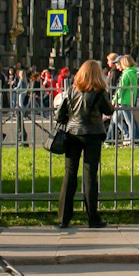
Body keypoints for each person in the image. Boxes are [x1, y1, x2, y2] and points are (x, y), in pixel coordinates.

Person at [55, 59, 113, 230]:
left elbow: (60, 115)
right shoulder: (99, 91)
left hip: (72, 133)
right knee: (90, 176)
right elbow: (108, 110)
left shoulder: (71, 90)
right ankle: (93, 218)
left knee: (69, 175)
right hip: (92, 134)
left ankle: (63, 218)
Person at [113, 54, 138, 144]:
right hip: (129, 99)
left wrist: (115, 99)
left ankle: (130, 139)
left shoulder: (126, 73)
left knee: (128, 121)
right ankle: (128, 137)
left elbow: (121, 88)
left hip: (124, 100)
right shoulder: (133, 72)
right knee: (117, 119)